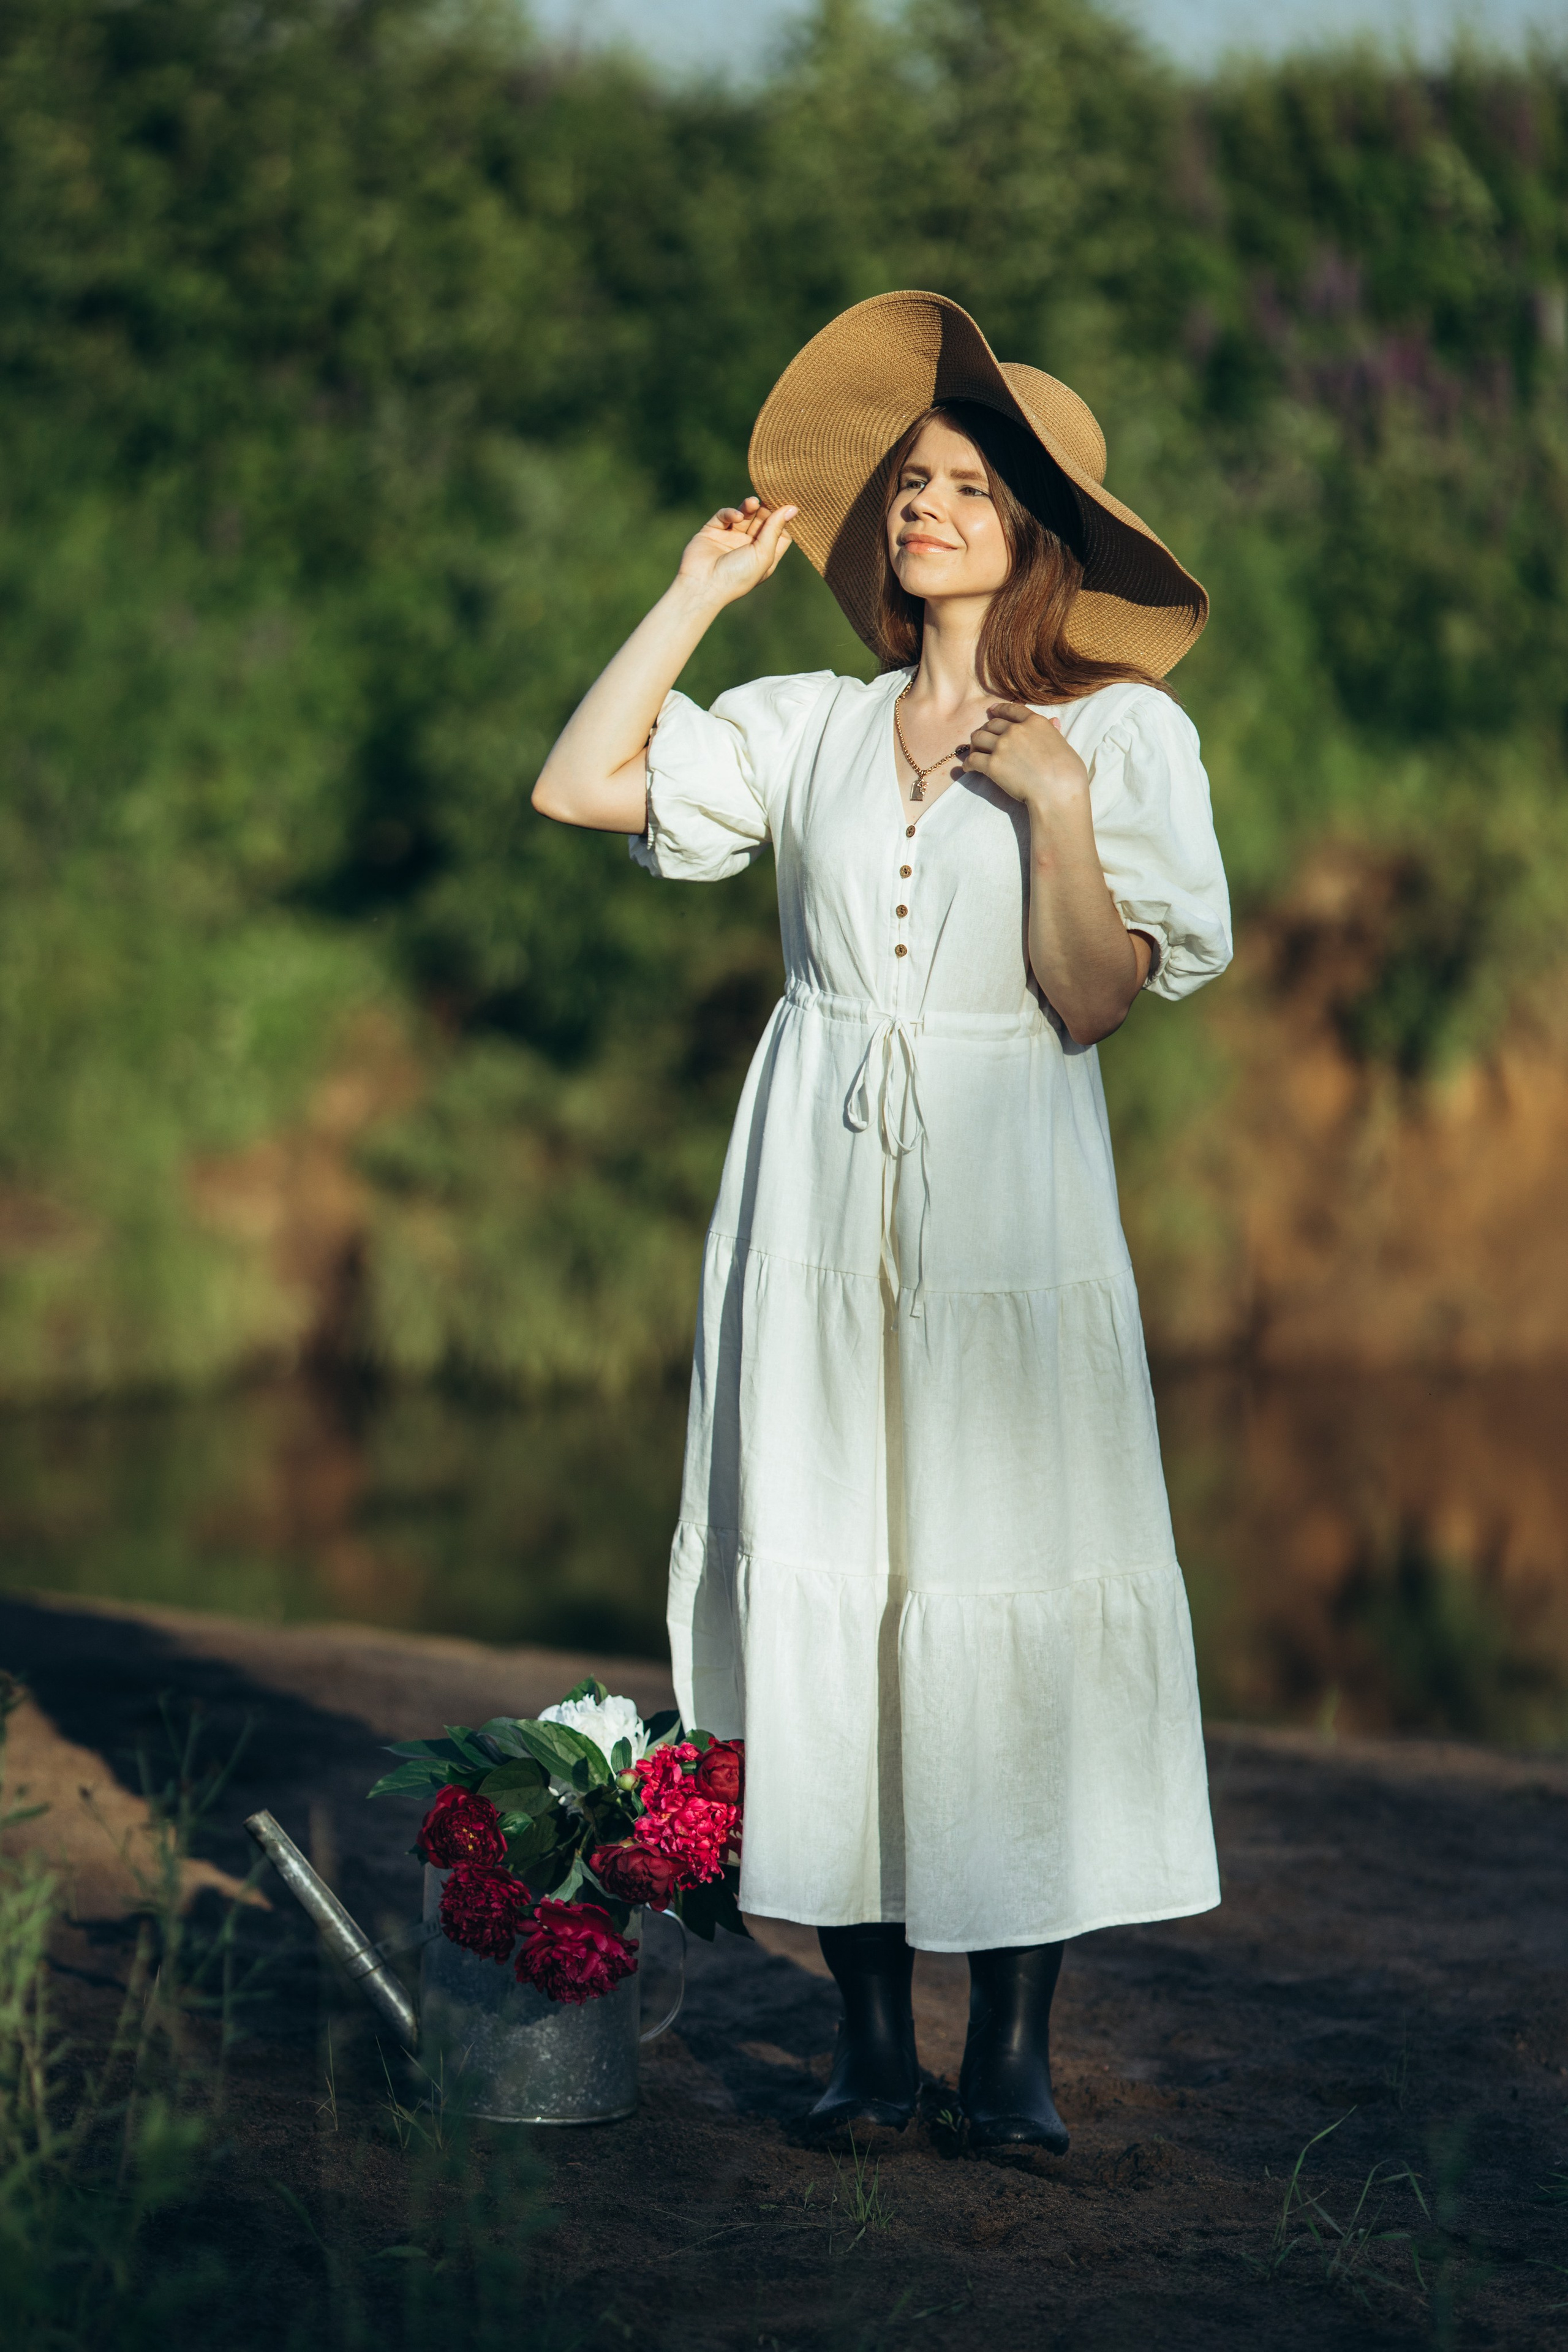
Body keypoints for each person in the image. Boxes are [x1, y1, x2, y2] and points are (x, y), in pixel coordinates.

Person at [533, 291, 1232, 2155]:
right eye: (906, 483)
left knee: (1006, 1568)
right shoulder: (810, 724)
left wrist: (1063, 810)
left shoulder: (1127, 740)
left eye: (960, 485)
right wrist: (693, 593)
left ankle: (1006, 2052)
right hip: (818, 1196)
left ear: (1033, 529)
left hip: (1015, 1196)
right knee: (831, 1561)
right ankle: (862, 2031)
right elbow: (579, 782)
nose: (919, 506)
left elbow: (1091, 1000)